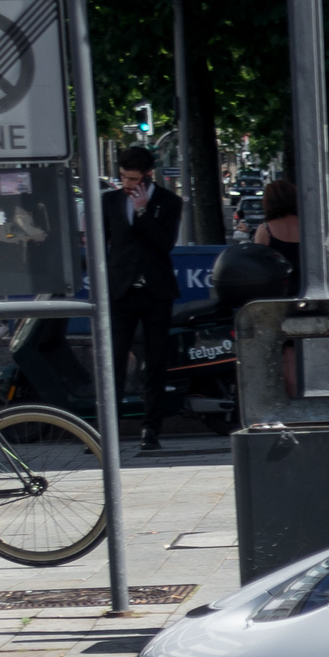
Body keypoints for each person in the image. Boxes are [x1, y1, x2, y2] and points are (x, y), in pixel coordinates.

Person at [102, 146, 183, 453]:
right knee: (115, 362)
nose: (127, 183)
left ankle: (151, 429)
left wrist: (143, 211)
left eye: (133, 178)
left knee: (155, 361)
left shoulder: (168, 202)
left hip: (156, 292)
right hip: (121, 291)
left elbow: (165, 244)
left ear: (148, 175)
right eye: (123, 176)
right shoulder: (109, 201)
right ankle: (108, 431)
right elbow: (104, 243)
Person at [253, 178, 301, 276]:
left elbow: (257, 265)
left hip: (278, 287)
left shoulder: (265, 230)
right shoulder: (309, 227)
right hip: (308, 286)